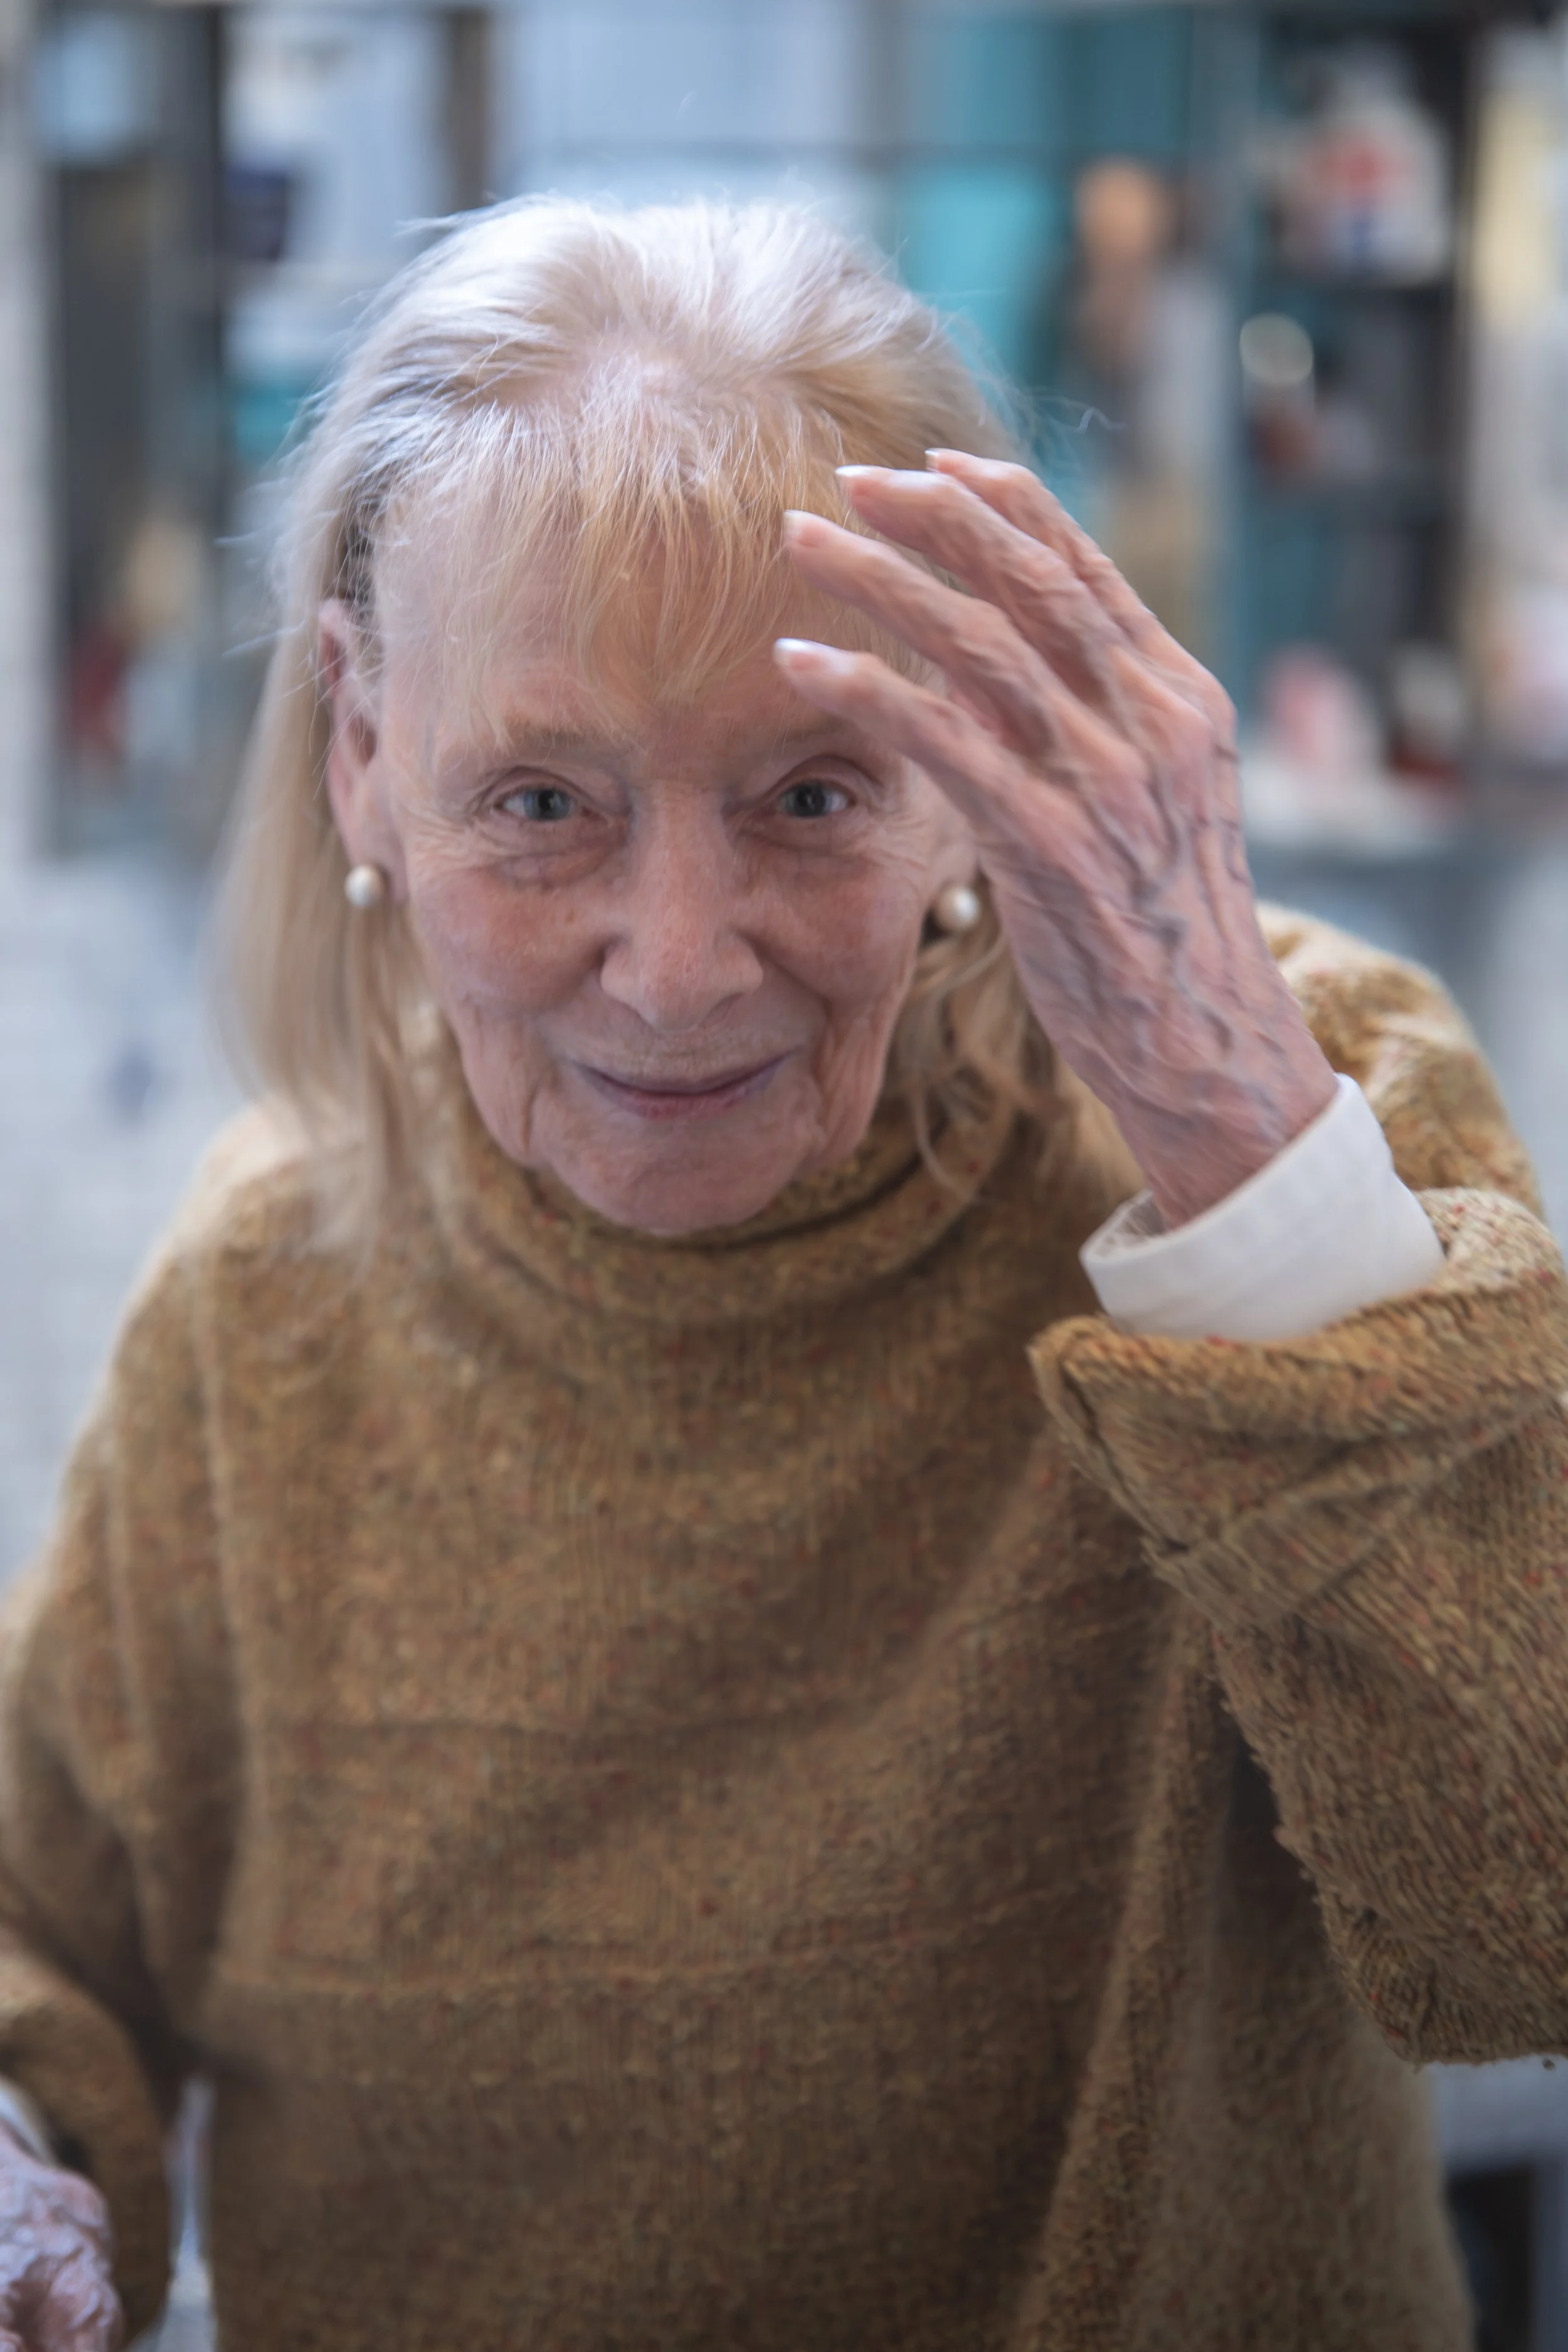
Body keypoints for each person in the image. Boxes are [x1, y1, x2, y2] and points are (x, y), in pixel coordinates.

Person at [0, 197, 1563, 2352]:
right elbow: (45, 1926)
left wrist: (1231, 1134)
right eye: (540, 799)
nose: (675, 967)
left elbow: (1522, 1926)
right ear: (363, 747)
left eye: (813, 792)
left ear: (972, 754)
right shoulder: (267, 1296)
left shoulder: (1303, 1112)